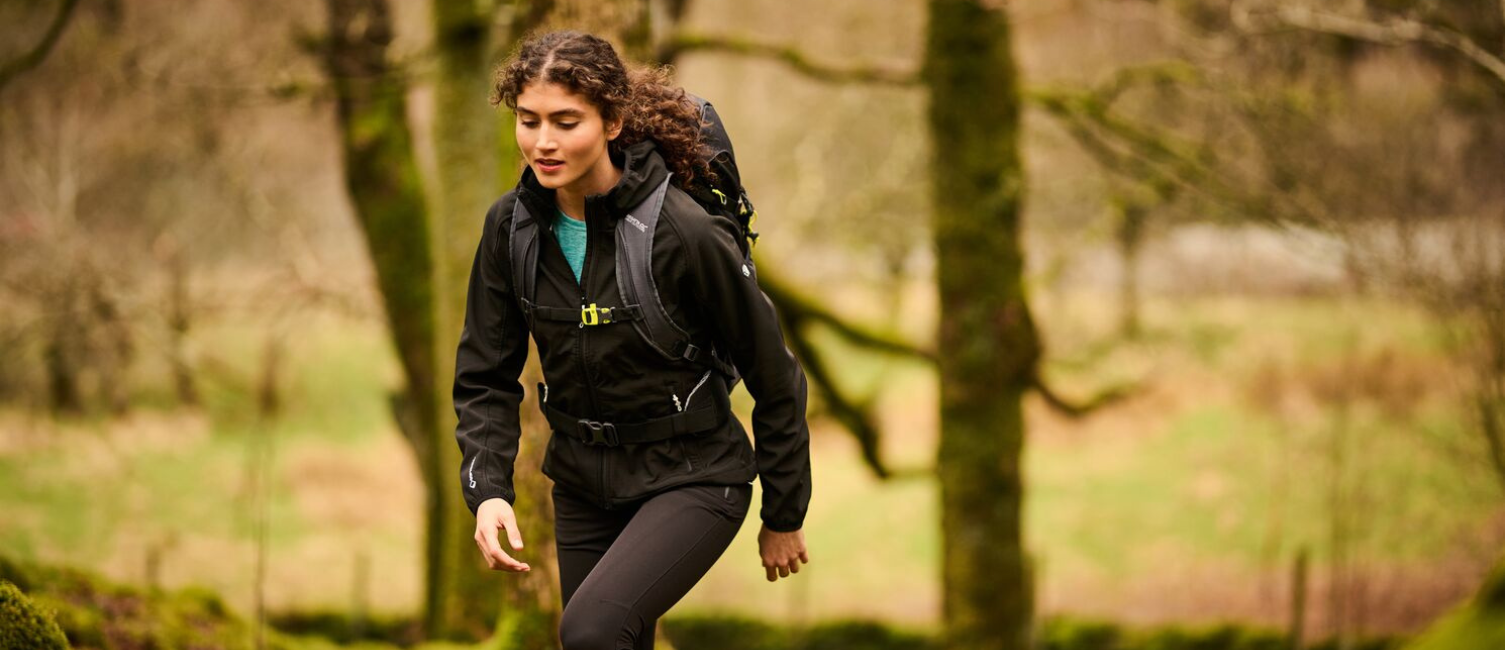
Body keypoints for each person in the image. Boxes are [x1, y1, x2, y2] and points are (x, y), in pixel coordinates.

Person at [451, 30, 813, 650]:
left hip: (695, 475)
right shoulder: (509, 228)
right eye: (529, 120)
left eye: (567, 122)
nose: (544, 141)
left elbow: (773, 372)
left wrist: (784, 513)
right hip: (584, 483)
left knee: (590, 631)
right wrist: (487, 490)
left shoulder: (683, 231)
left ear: (613, 120)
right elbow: (485, 373)